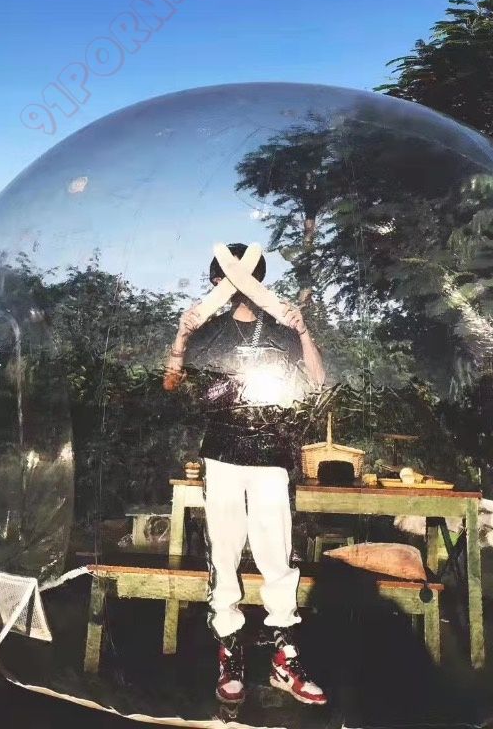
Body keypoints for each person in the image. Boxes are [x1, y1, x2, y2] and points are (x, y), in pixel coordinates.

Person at [163, 243, 328, 706]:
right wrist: (181, 338)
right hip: (221, 457)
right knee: (225, 551)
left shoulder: (279, 328)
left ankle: (284, 659)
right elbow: (172, 385)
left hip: (273, 456)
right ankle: (230, 654)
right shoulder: (208, 331)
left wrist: (303, 330)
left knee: (277, 555)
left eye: (247, 276)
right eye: (228, 276)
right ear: (217, 282)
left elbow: (317, 381)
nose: (237, 285)